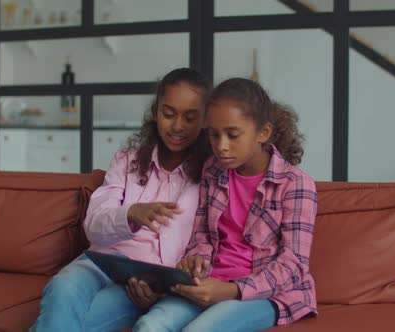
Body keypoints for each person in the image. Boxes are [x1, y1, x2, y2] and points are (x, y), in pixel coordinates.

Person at [30, 68, 211, 332]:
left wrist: (159, 290)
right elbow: (92, 225)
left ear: (205, 120)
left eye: (190, 117)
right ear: (155, 111)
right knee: (62, 284)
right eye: (168, 114)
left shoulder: (209, 176)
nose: (177, 126)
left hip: (144, 282)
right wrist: (130, 214)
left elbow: (207, 244)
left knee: (62, 324)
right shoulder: (128, 160)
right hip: (100, 263)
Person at [134, 77, 318, 332]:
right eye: (214, 135)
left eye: (233, 135)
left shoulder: (296, 184)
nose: (221, 146)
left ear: (262, 133)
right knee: (149, 325)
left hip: (267, 294)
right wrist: (196, 261)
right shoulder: (213, 171)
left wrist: (232, 290)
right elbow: (202, 236)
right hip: (210, 282)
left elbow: (293, 264)